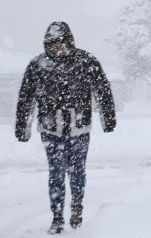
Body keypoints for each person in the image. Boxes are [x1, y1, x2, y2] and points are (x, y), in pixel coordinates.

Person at [15, 22, 116, 234]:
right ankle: (58, 216)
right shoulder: (38, 66)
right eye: (53, 44)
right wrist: (22, 127)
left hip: (79, 127)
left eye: (61, 43)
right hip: (51, 129)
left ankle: (77, 207)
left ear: (69, 41)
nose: (58, 48)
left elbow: (102, 90)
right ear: (47, 44)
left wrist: (108, 118)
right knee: (56, 173)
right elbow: (26, 99)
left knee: (77, 170)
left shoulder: (85, 61)